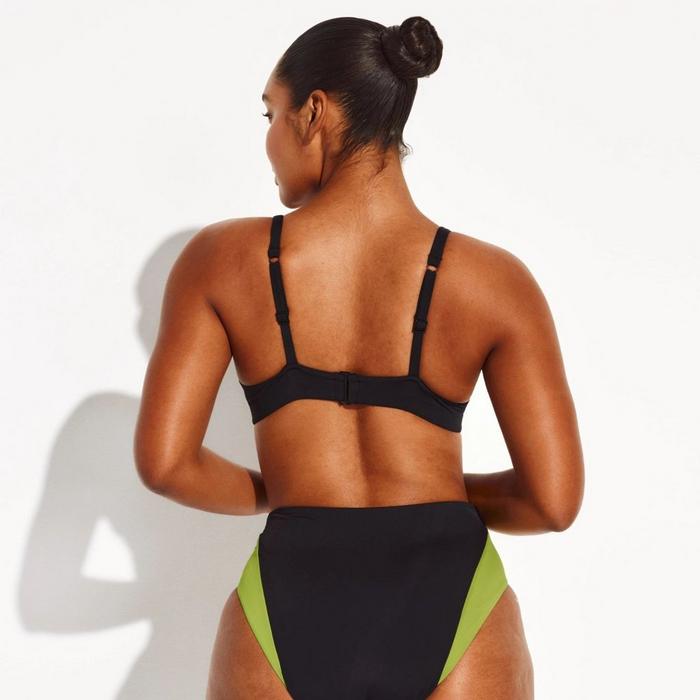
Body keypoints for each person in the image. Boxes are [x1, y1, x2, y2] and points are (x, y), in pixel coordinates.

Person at [134, 15, 584, 700]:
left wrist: (295, 490)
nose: (267, 140)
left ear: (313, 112)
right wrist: (430, 492)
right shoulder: (495, 281)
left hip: (291, 588)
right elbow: (552, 503)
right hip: (452, 591)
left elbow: (166, 465)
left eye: (270, 114)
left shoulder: (220, 262)